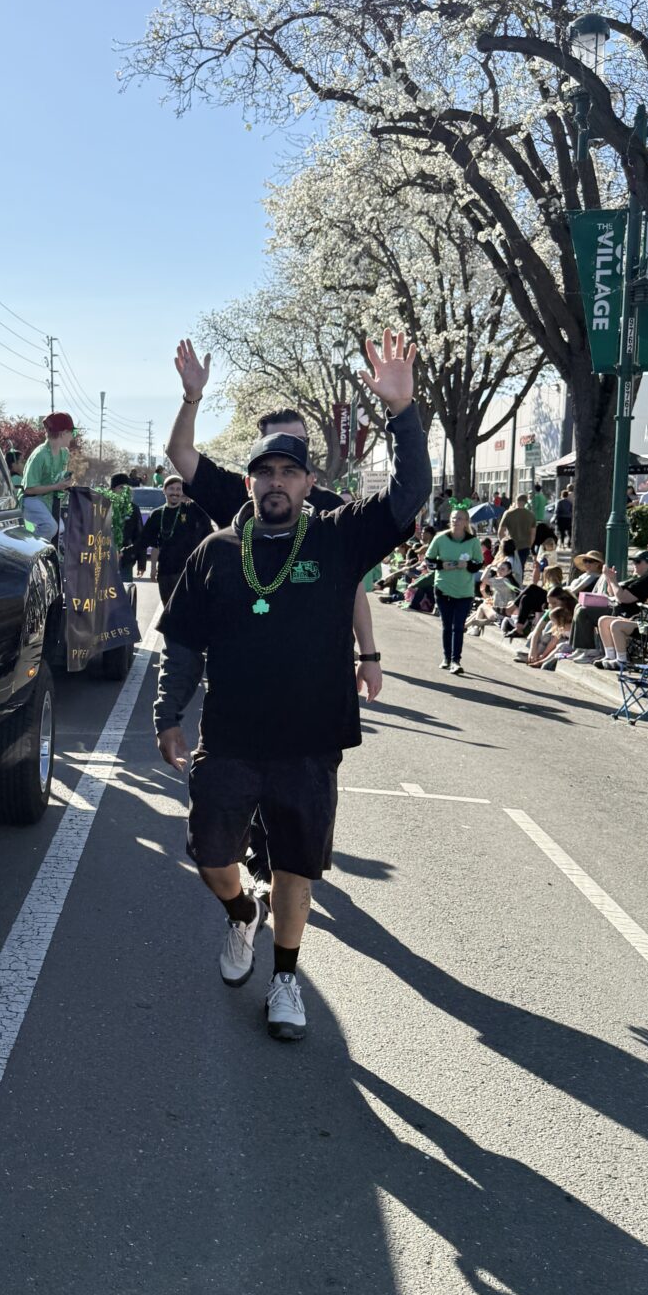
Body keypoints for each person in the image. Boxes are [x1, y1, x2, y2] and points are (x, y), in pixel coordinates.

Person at [154, 327, 429, 1042]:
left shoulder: (338, 535)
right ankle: (240, 914)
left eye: (289, 472)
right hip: (230, 739)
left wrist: (403, 413)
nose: (276, 482)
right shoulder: (216, 551)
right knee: (214, 857)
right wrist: (168, 714)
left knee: (296, 868)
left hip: (308, 741)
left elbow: (410, 495)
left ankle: (285, 978)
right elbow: (182, 643)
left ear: (308, 483)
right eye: (265, 472)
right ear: (248, 483)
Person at [165, 352, 385, 703]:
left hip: (317, 675)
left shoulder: (333, 511)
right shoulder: (241, 493)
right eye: (276, 447)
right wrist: (192, 397)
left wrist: (369, 655)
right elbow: (179, 452)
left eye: (298, 445)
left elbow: (353, 583)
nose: (284, 459)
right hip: (244, 673)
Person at [423, 505, 480, 673]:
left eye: (460, 518)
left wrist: (467, 565)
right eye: (454, 518)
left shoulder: (473, 541)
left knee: (458, 626)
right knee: (447, 626)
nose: (456, 521)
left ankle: (456, 661)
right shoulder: (440, 538)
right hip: (443, 588)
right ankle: (447, 658)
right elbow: (429, 560)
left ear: (466, 522)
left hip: (465, 591)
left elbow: (479, 563)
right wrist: (442, 565)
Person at [588, 551, 648, 669]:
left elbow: (623, 598)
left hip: (638, 618)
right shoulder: (637, 578)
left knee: (614, 624)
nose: (634, 564)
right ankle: (610, 656)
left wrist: (613, 580)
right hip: (628, 615)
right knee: (603, 620)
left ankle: (621, 660)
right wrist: (609, 579)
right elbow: (612, 593)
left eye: (638, 562)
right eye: (633, 562)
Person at [142, 474, 212, 600]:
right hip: (165, 573)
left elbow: (208, 536)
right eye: (171, 489)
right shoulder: (158, 514)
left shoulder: (193, 511)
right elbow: (153, 545)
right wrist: (152, 569)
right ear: (164, 491)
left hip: (187, 573)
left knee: (186, 609)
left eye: (179, 489)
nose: (175, 492)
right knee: (168, 608)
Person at [21, 412, 75, 540]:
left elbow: (57, 479)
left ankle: (40, 547)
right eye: (72, 432)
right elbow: (28, 489)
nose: (73, 436)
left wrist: (65, 484)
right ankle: (30, 550)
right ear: (63, 433)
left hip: (48, 500)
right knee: (50, 527)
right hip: (30, 500)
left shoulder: (64, 453)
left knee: (60, 528)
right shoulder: (39, 455)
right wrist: (56, 486)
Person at [498, 495, 536, 567]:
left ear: (516, 501)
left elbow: (500, 532)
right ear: (526, 502)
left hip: (511, 546)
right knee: (520, 568)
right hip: (525, 546)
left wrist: (503, 544)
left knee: (509, 567)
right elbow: (533, 534)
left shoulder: (508, 513)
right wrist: (529, 546)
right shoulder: (531, 515)